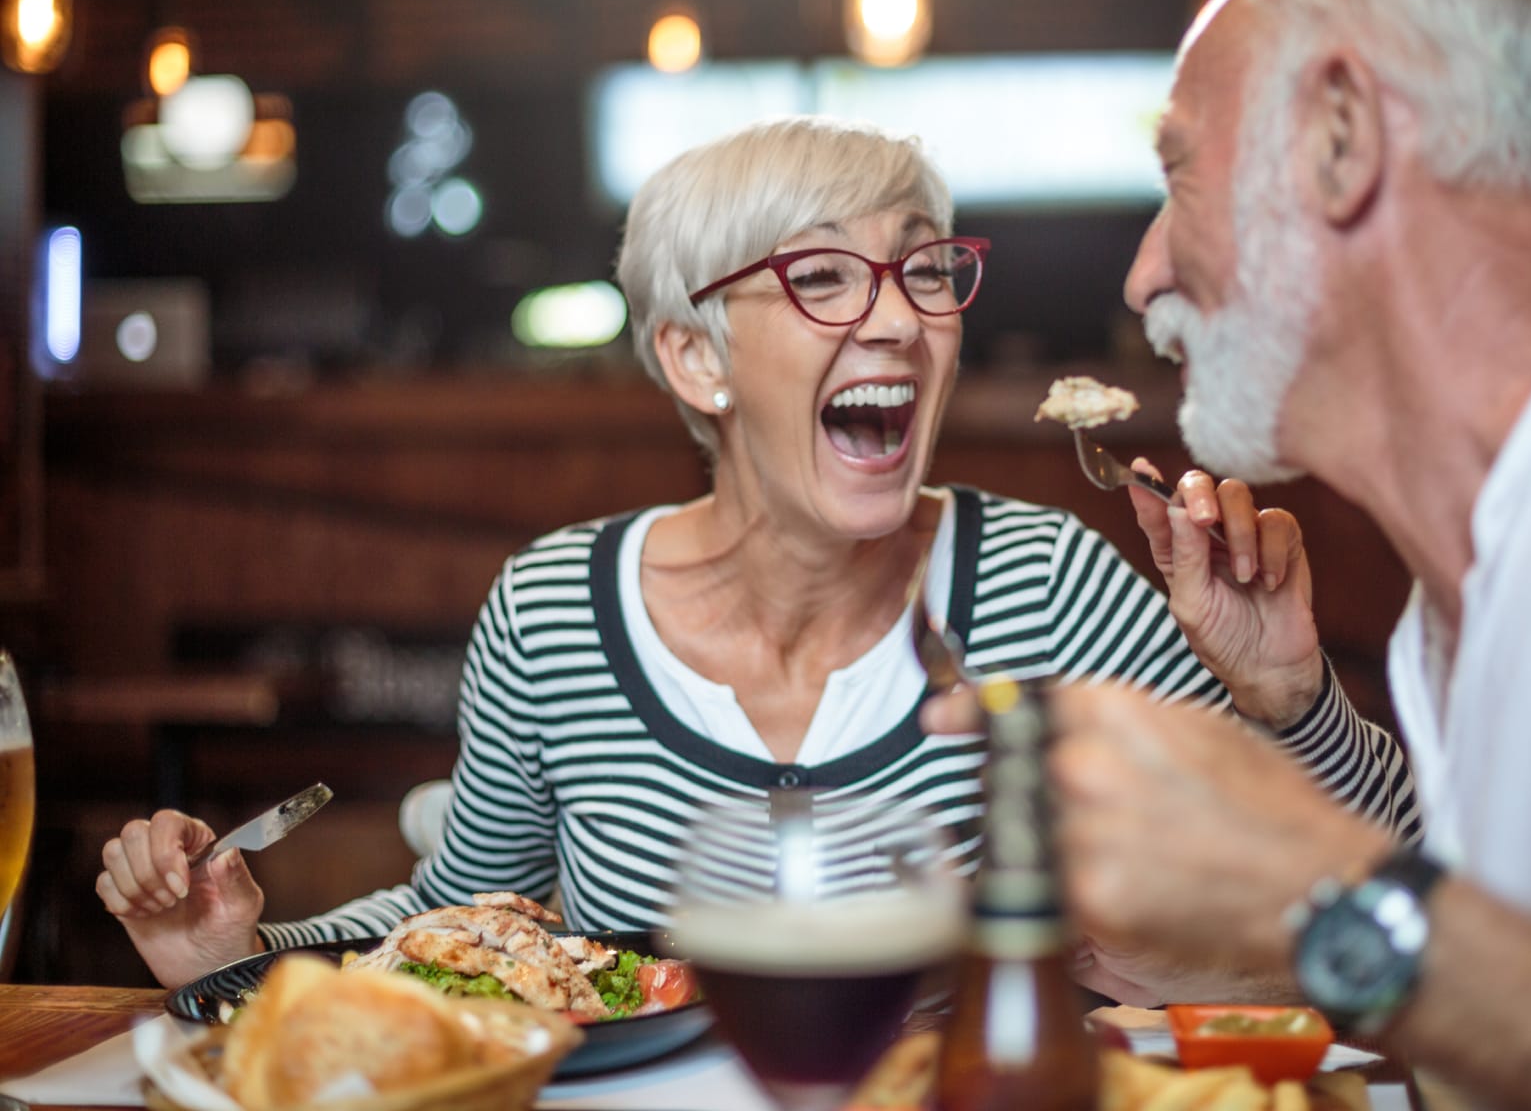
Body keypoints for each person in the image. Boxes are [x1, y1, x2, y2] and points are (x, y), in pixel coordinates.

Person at [94, 115, 1418, 990]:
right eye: (825, 279)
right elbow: (455, 933)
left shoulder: (1044, 589)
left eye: (923, 272)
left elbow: (1384, 899)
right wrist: (238, 952)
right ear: (693, 356)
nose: (898, 323)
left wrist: (1289, 702)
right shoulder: (554, 614)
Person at [931, 0, 1531, 1107]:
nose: (1143, 277)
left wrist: (1308, 885)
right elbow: (1527, 1000)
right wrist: (1295, 718)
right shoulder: (1462, 604)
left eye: (1180, 171)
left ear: (1343, 140)